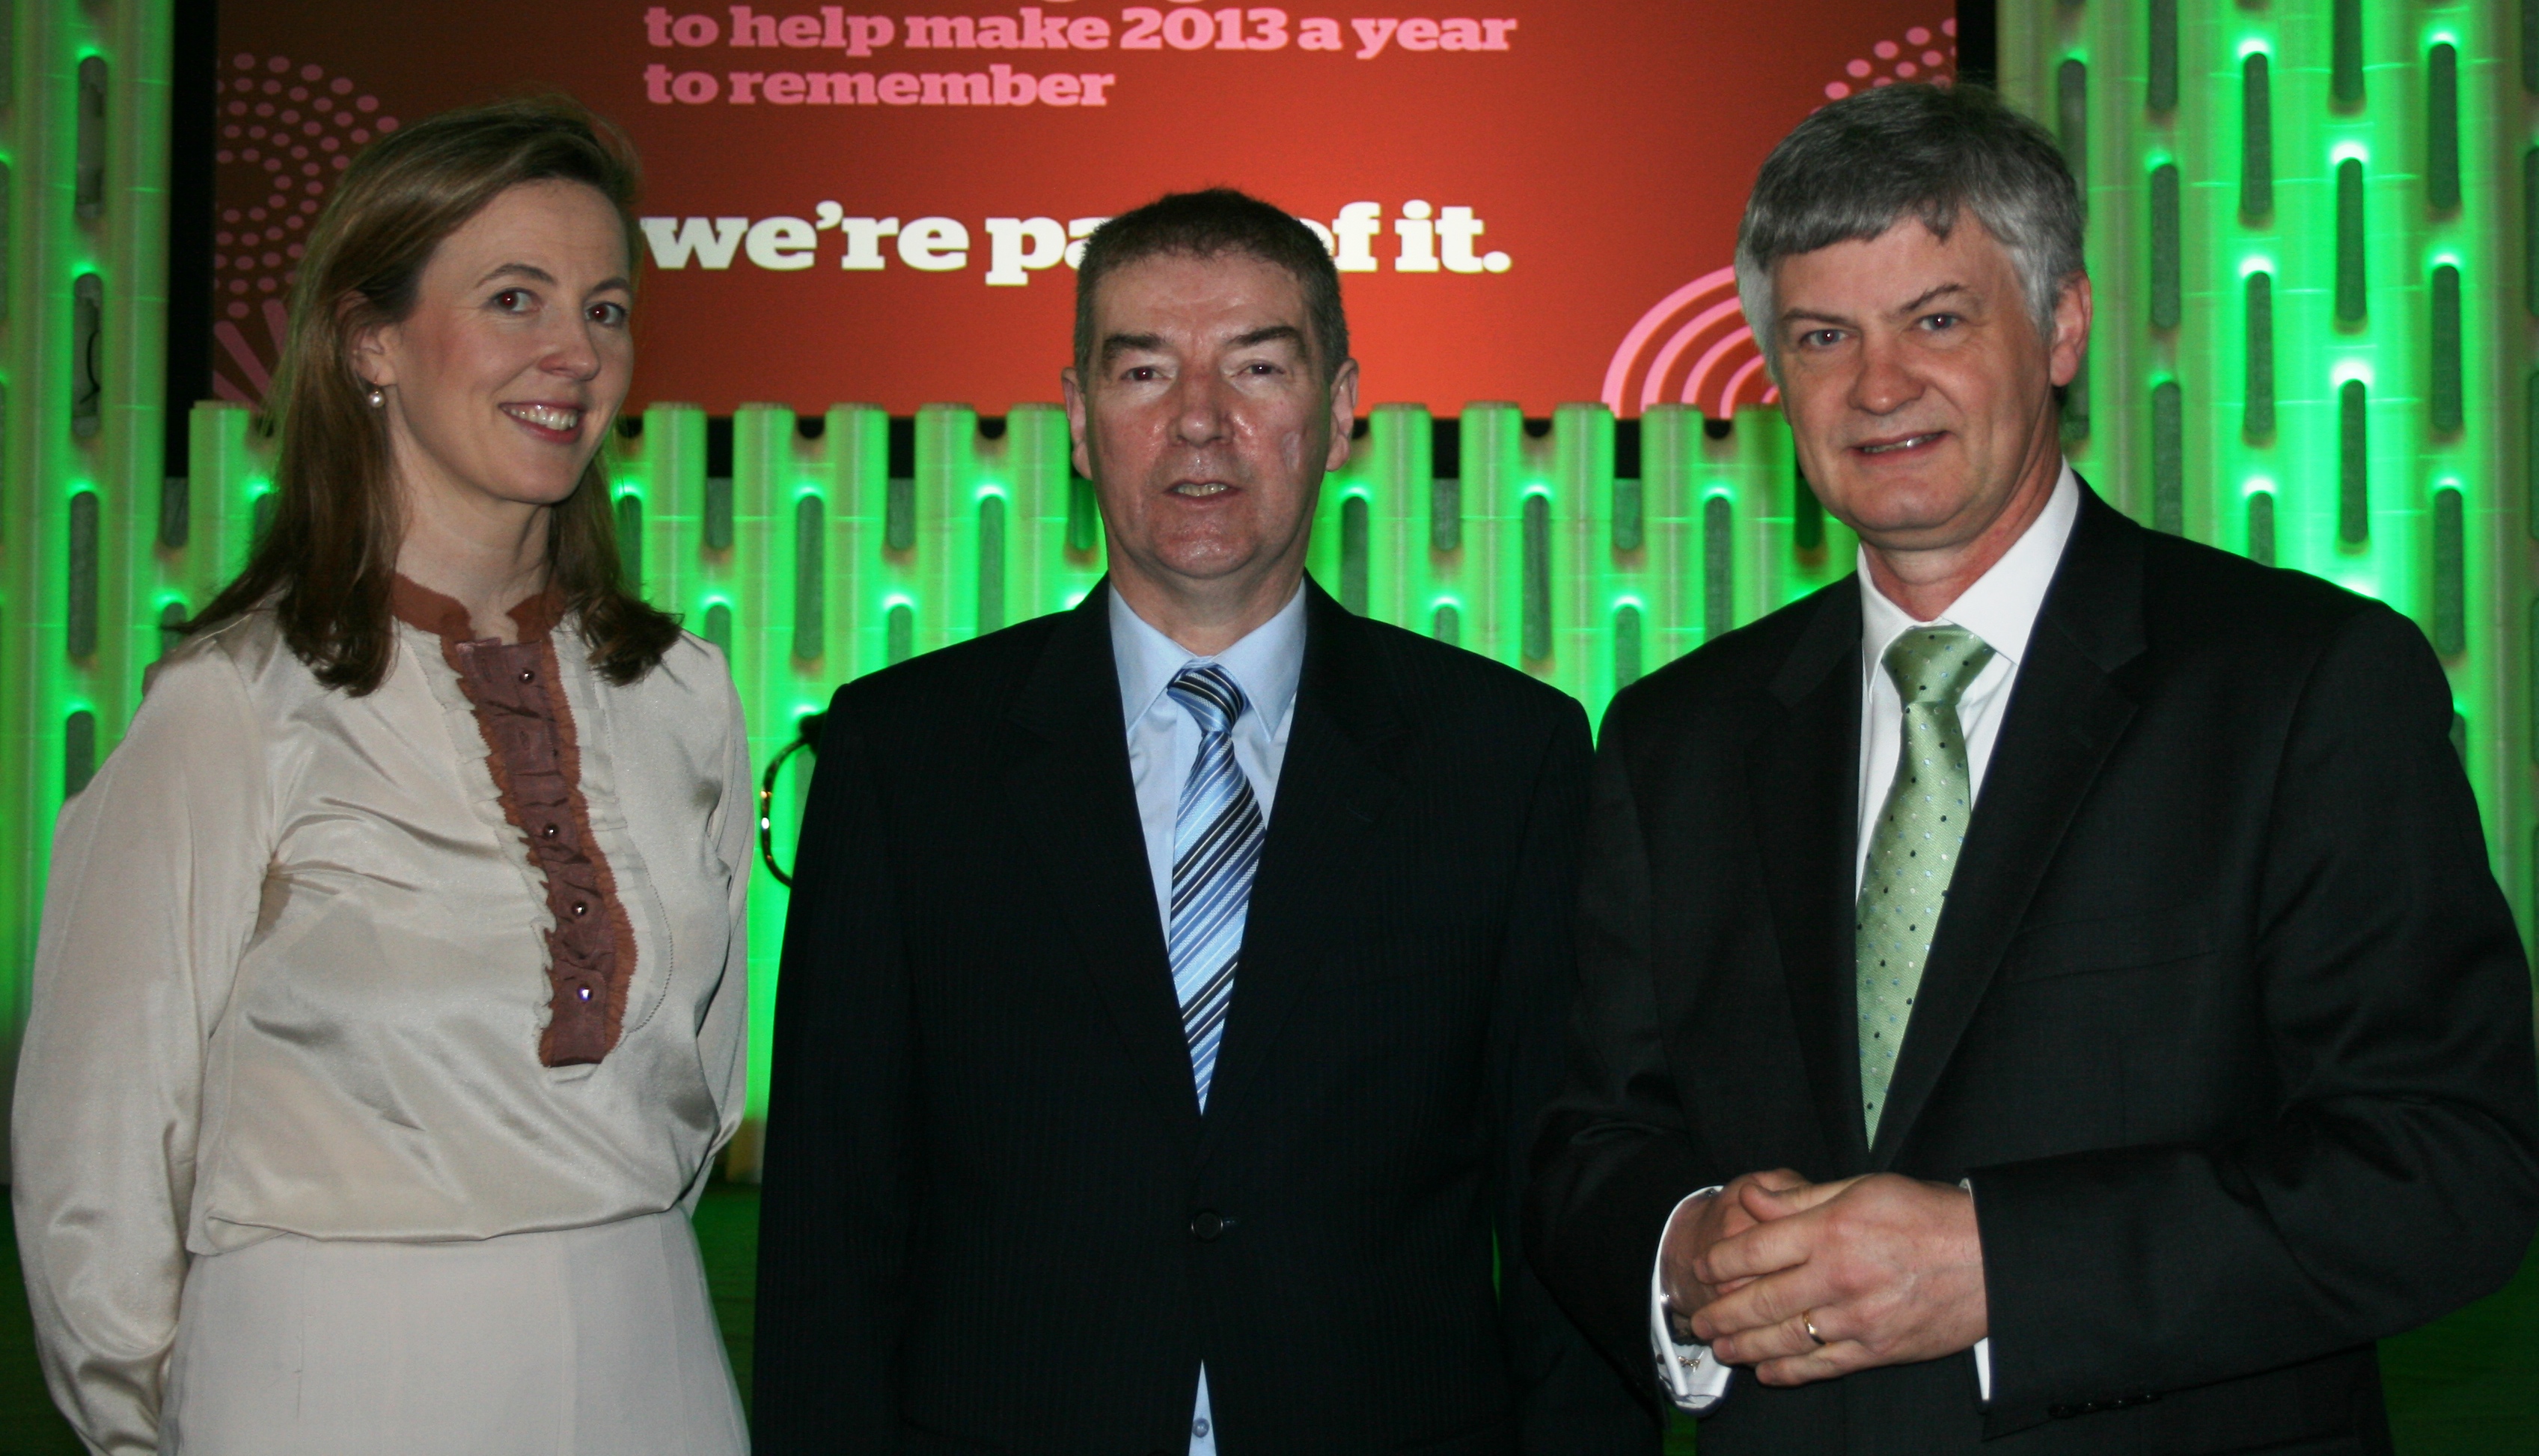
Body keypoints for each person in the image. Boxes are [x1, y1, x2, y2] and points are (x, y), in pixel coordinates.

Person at [1525, 82, 2539, 1455]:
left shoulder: (2304, 682)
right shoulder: (1674, 737)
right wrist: (1680, 1250)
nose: (1879, 387)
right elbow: (1589, 1141)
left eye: (1937, 319)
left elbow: (2447, 1169)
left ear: (2061, 325)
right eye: (1824, 337)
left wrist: (2000, 1267)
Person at [751, 188, 1655, 1455]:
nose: (1198, 422)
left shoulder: (1506, 757)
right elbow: (828, 1226)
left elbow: (1561, 1207)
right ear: (1077, 419)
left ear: (1340, 410)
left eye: (1258, 366)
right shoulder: (907, 756)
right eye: (1142, 369)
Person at [10, 99, 752, 1456]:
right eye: (514, 297)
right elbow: (95, 1150)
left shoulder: (681, 693)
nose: (571, 353)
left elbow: (702, 1079)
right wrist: (145, 1425)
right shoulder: (232, 708)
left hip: (655, 1358)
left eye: (603, 308)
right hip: (331, 1379)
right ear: (369, 342)